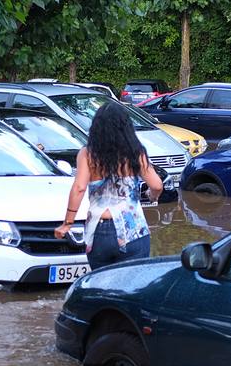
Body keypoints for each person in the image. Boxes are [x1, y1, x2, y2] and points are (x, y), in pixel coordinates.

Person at [54, 102, 163, 269]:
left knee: (101, 286)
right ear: (126, 126)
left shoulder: (87, 154)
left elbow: (79, 188)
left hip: (99, 230)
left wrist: (67, 223)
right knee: (132, 288)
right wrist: (151, 196)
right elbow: (156, 185)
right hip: (133, 230)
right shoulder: (136, 152)